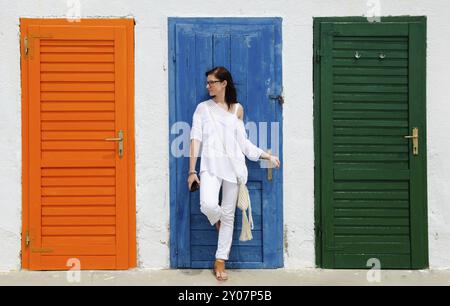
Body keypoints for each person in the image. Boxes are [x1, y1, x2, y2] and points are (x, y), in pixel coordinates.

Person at [187, 66, 280, 281]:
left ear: (224, 83)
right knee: (208, 205)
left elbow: (243, 143)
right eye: (207, 82)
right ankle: (216, 218)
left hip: (233, 169)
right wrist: (192, 170)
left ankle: (220, 260)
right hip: (209, 166)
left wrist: (266, 156)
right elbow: (195, 139)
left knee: (229, 217)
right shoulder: (202, 108)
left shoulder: (238, 109)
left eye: (212, 82)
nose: (208, 86)